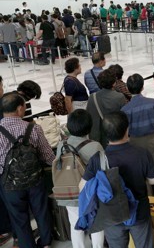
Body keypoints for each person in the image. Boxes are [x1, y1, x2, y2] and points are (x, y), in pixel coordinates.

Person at [82, 112, 154, 248]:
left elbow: (82, 186)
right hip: (139, 212)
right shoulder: (141, 153)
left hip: (112, 215)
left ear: (105, 133)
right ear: (127, 129)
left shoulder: (98, 158)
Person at [0, 92, 55, 248]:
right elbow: (48, 156)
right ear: (19, 109)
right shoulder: (33, 128)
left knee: (19, 218)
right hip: (35, 180)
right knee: (42, 212)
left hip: (10, 185)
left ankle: (26, 245)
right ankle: (45, 243)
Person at [54, 109, 105, 248]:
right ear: (89, 126)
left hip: (69, 191)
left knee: (74, 223)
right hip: (89, 193)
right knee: (96, 223)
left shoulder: (61, 146)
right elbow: (103, 170)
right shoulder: (95, 146)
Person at [121, 74, 154, 198]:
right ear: (142, 87)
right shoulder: (153, 103)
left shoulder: (125, 109)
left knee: (141, 169)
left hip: (134, 141)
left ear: (128, 88)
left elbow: (125, 129)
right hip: (152, 138)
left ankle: (149, 196)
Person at [86, 69, 127, 147]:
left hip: (98, 137)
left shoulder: (92, 97)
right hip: (115, 135)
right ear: (114, 83)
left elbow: (89, 117)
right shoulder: (119, 97)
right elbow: (124, 117)